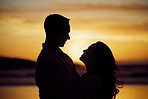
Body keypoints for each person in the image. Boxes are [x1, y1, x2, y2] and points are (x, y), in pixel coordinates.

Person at [35, 14, 81, 99]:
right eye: (65, 32)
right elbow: (66, 93)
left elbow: (77, 85)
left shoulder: (64, 58)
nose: (68, 37)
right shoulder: (47, 60)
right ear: (53, 32)